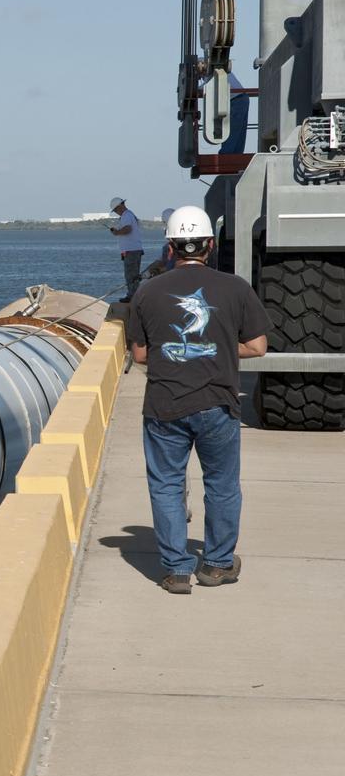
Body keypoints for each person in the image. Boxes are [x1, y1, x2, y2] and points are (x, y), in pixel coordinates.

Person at [127, 205, 269, 595]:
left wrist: (183, 348)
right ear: (210, 244)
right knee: (222, 485)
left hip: (164, 406)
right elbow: (257, 346)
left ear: (170, 248)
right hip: (218, 405)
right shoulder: (236, 287)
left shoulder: (146, 292)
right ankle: (219, 565)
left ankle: (175, 571)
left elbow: (140, 355)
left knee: (167, 485)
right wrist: (217, 347)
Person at [108, 196, 144, 302]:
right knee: (132, 275)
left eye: (115, 210)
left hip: (131, 250)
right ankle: (134, 295)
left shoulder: (126, 215)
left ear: (119, 207)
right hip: (132, 250)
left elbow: (128, 229)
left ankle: (132, 296)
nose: (116, 212)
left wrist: (117, 232)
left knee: (131, 275)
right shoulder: (128, 215)